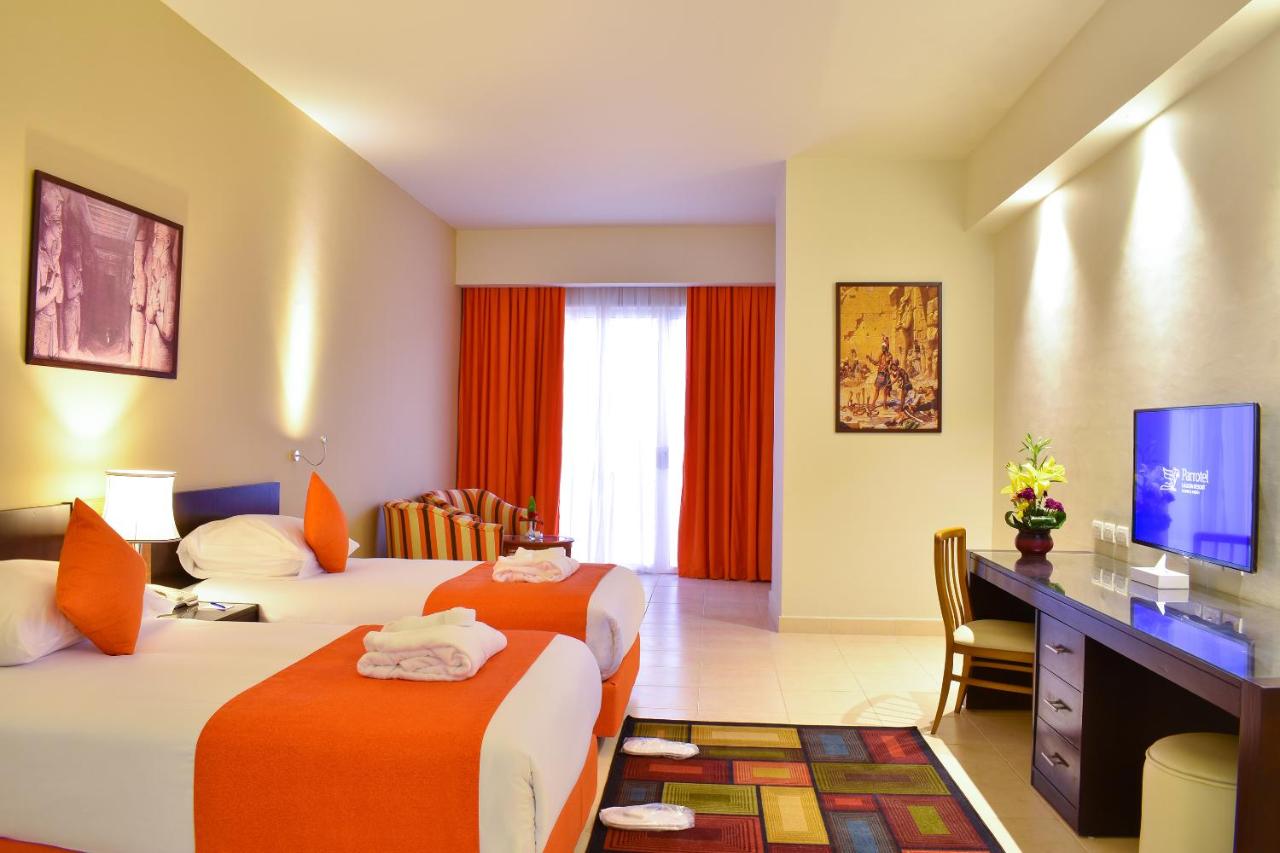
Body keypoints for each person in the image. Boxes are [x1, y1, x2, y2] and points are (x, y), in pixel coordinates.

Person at [32, 188, 64, 358]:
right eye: (56, 221)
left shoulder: (54, 257)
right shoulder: (39, 254)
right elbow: (36, 303)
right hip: (42, 323)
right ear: (46, 220)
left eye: (61, 222)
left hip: (52, 320)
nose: (61, 228)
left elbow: (60, 298)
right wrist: (55, 289)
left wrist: (57, 288)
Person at [142, 225, 177, 372]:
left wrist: (155, 313)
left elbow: (168, 332)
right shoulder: (158, 274)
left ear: (167, 242)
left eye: (157, 238)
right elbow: (148, 315)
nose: (154, 244)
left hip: (162, 358)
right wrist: (153, 311)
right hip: (153, 351)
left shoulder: (171, 276)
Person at [128, 222, 149, 366]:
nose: (135, 258)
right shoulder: (137, 276)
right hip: (135, 315)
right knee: (133, 341)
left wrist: (135, 299)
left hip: (138, 316)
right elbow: (132, 300)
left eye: (137, 255)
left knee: (137, 347)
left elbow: (140, 302)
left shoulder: (141, 275)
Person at [59, 245, 84, 356]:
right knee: (70, 345)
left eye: (80, 256)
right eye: (77, 256)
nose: (79, 259)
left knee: (76, 336)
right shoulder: (68, 267)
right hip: (70, 309)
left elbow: (82, 291)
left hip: (76, 308)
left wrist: (78, 287)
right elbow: (70, 294)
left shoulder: (77, 270)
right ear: (72, 254)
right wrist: (78, 288)